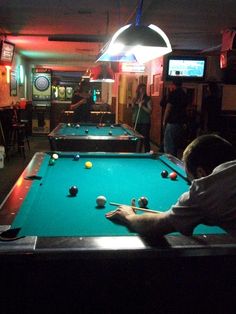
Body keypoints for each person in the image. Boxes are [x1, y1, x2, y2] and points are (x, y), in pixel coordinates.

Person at [106, 134, 236, 237]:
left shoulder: (204, 191)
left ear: (201, 173)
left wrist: (129, 216)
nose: (191, 184)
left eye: (190, 179)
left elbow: (156, 226)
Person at [163, 78, 188, 157]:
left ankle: (170, 164)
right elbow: (185, 109)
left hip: (172, 123)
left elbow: (168, 108)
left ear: (173, 84)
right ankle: (175, 163)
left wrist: (164, 121)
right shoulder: (184, 94)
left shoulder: (173, 93)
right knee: (176, 146)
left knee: (169, 146)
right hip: (181, 123)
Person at [132, 83, 152, 152]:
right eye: (142, 89)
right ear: (138, 89)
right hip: (136, 120)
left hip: (145, 122)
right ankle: (138, 153)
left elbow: (149, 111)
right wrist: (133, 103)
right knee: (137, 138)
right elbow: (133, 108)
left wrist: (142, 106)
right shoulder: (135, 98)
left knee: (145, 139)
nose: (143, 90)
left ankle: (147, 153)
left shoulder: (148, 99)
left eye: (144, 89)